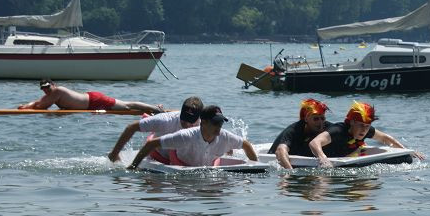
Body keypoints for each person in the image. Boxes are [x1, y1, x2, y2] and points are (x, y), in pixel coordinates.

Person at [127, 105, 257, 169]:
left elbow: (246, 145)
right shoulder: (185, 136)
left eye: (221, 122)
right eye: (215, 122)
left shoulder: (225, 137)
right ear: (204, 122)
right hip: (175, 158)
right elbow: (151, 145)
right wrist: (132, 168)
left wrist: (255, 165)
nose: (219, 126)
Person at [308, 101, 421, 168]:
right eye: (361, 125)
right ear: (352, 122)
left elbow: (385, 138)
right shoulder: (338, 130)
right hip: (311, 156)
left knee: (406, 158)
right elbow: (314, 143)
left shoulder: (366, 129)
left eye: (367, 126)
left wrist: (407, 151)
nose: (364, 130)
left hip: (348, 157)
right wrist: (322, 158)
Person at [108, 96, 203, 163]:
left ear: (199, 117)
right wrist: (114, 154)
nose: (186, 124)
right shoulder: (166, 120)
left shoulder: (205, 125)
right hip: (159, 156)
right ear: (181, 113)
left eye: (191, 121)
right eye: (183, 120)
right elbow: (131, 127)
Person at [17, 79, 163, 114]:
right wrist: (24, 107)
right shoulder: (51, 94)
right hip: (91, 101)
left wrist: (25, 107)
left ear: (53, 85)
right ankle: (150, 110)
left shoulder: (57, 91)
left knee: (127, 106)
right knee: (126, 109)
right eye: (43, 89)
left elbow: (41, 106)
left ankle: (157, 109)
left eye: (47, 87)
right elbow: (39, 103)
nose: (46, 91)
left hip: (94, 100)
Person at [268, 98, 331, 170]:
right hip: (270, 160)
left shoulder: (327, 126)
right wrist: (289, 172)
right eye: (316, 119)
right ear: (306, 119)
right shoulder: (294, 130)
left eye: (322, 118)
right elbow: (280, 151)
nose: (320, 122)